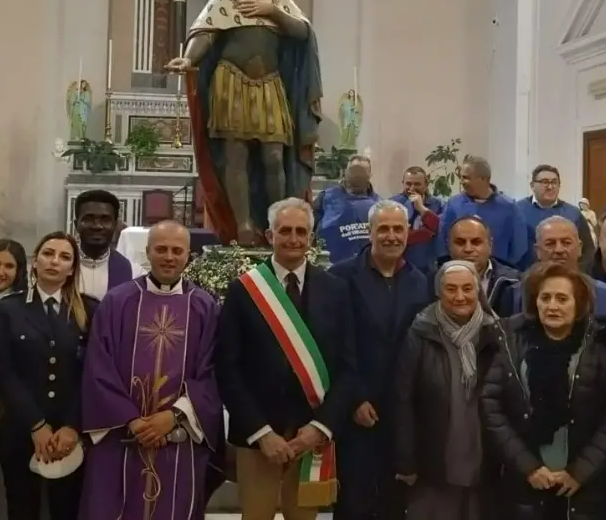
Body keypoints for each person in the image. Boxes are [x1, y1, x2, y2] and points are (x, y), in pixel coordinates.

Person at [165, 0, 323, 245]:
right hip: (231, 81)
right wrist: (189, 58)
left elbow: (303, 33)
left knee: (274, 157)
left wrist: (272, 11)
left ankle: (276, 221)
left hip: (271, 83)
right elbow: (207, 33)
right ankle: (244, 224)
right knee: (235, 156)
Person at [217, 198, 357, 520]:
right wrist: (260, 432)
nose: (293, 239)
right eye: (285, 231)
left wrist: (321, 426)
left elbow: (348, 367)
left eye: (301, 231)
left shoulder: (336, 290)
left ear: (311, 237)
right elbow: (228, 367)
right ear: (270, 236)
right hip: (258, 439)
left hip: (311, 437)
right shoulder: (245, 290)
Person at [81, 221, 223, 520]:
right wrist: (133, 420)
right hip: (121, 435)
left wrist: (172, 417)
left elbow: (211, 371)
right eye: (161, 249)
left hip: (178, 436)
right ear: (147, 252)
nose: (169, 257)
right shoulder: (117, 301)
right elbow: (98, 367)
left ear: (189, 255)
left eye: (177, 250)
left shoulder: (204, 306)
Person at [481, 262, 606, 520]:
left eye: (562, 298)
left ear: (579, 304)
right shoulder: (511, 341)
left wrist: (581, 471)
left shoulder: (602, 346)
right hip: (525, 483)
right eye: (545, 298)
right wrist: (528, 466)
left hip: (585, 486)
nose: (552, 306)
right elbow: (491, 405)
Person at [328, 200, 432, 520]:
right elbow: (333, 344)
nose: (390, 236)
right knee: (353, 502)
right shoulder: (339, 277)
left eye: (397, 229)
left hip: (402, 412)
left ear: (407, 234)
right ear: (369, 232)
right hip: (356, 410)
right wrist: (354, 397)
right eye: (383, 229)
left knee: (394, 502)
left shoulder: (422, 281)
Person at [0, 232, 98, 520]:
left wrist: (73, 427)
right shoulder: (9, 309)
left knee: (67, 508)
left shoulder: (89, 310)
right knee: (22, 508)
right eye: (48, 253)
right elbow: (4, 370)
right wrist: (36, 425)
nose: (55, 261)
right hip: (20, 427)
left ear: (73, 268)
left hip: (69, 431)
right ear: (34, 262)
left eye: (65, 257)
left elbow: (92, 373)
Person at [391, 261, 499, 520]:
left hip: (484, 458)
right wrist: (406, 459)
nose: (459, 297)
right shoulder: (420, 332)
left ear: (478, 291)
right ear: (439, 292)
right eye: (451, 289)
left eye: (467, 289)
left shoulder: (496, 333)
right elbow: (402, 399)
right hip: (434, 461)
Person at [437, 157, 529, 269]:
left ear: (483, 179)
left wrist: (502, 268)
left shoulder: (509, 207)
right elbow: (443, 239)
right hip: (460, 271)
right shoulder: (453, 204)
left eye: (466, 178)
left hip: (498, 274)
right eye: (461, 177)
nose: (462, 182)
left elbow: (519, 245)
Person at [515, 165, 595, 272]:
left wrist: (577, 271)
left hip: (568, 276)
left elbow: (588, 249)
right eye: (544, 182)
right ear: (532, 185)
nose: (550, 187)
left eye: (554, 182)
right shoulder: (517, 211)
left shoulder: (573, 213)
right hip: (527, 276)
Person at [73, 190, 142, 300]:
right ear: (76, 225)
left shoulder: (134, 273)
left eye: (105, 220)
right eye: (88, 219)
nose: (97, 226)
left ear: (115, 225)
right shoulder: (57, 267)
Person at [314, 155, 381, 263]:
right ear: (345, 173)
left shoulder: (379, 204)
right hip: (332, 267)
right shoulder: (326, 197)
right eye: (353, 171)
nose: (357, 176)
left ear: (370, 175)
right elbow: (311, 229)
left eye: (362, 172)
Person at [389, 166, 444, 274]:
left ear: (426, 184)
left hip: (429, 268)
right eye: (408, 184)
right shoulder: (392, 204)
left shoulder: (438, 204)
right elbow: (397, 235)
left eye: (417, 184)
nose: (412, 188)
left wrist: (422, 209)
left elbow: (439, 229)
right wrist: (427, 232)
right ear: (402, 183)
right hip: (400, 268)